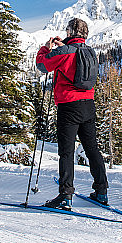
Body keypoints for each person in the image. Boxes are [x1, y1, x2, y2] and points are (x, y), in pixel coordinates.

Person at [35, 17, 108, 211]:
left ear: (69, 33)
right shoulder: (91, 52)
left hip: (69, 106)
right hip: (88, 104)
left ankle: (65, 195)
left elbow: (42, 65)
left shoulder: (63, 52)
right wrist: (63, 46)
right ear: (85, 34)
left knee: (66, 151)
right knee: (92, 149)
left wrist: (46, 48)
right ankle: (101, 191)